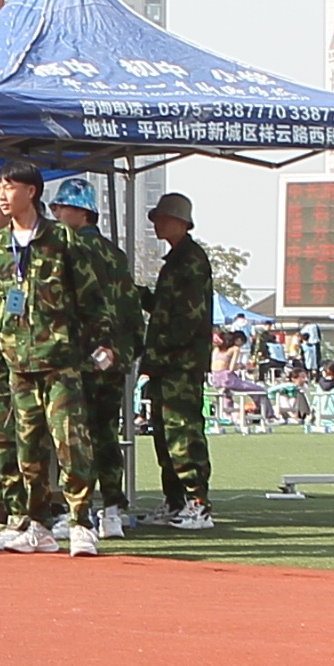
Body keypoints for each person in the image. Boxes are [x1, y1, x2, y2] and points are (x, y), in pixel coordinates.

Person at [0, 160, 118, 557]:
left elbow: (92, 298)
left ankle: (80, 521)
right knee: (28, 448)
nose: (2, 195)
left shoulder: (62, 239)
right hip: (17, 362)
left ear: (32, 192)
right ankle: (36, 523)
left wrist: (104, 344)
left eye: (10, 187)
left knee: (71, 441)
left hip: (60, 359)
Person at [48, 177, 141, 538]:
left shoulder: (72, 251)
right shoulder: (115, 255)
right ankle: (113, 509)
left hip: (82, 356)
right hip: (113, 357)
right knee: (105, 432)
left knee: (76, 436)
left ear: (81, 212)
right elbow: (131, 309)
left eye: (61, 208)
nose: (56, 213)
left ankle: (80, 513)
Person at [142, 190, 216, 528]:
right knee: (165, 434)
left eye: (161, 218)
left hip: (181, 365)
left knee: (183, 433)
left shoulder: (190, 261)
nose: (157, 223)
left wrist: (164, 351)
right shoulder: (176, 260)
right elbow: (165, 308)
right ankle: (175, 501)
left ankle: (197, 502)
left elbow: (186, 318)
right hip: (168, 364)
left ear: (180, 222)